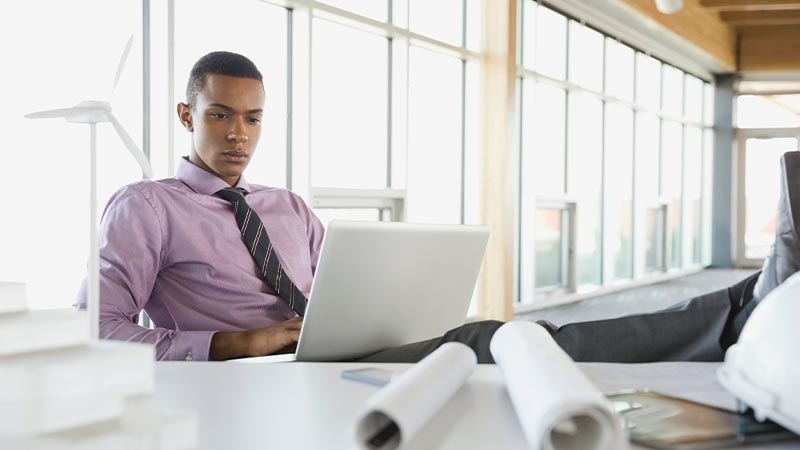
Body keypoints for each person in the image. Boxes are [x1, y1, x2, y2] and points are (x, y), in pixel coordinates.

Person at [75, 50, 788, 364]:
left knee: (503, 339)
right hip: (253, 367)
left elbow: (336, 292)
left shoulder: (286, 204)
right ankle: (734, 312)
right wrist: (232, 343)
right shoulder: (145, 207)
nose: (239, 134)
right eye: (221, 116)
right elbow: (96, 331)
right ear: (185, 114)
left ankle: (742, 302)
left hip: (324, 352)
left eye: (254, 118)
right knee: (502, 340)